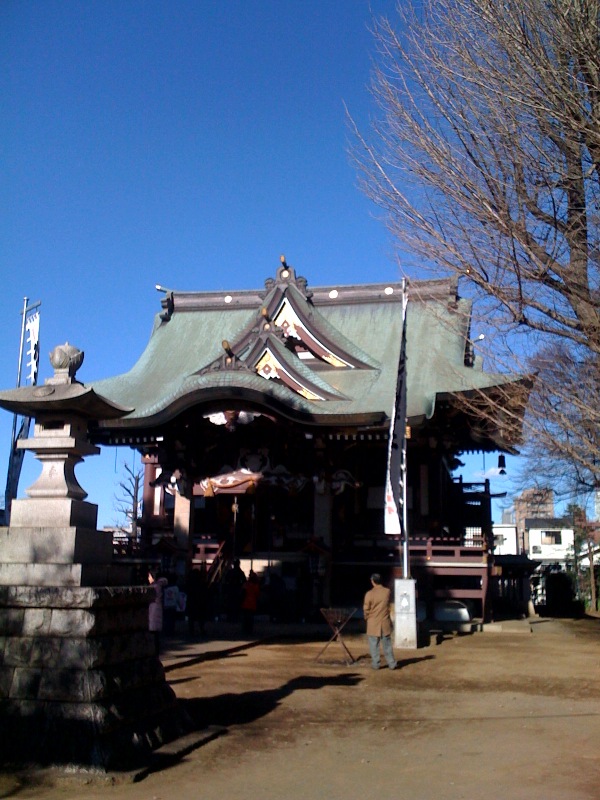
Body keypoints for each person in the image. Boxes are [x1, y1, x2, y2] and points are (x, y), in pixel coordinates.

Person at [363, 573, 397, 670]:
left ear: (373, 581)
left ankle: (376, 664)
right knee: (387, 645)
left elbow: (366, 609)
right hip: (384, 622)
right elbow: (389, 605)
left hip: (372, 622)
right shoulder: (387, 591)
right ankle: (392, 663)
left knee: (374, 645)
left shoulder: (369, 594)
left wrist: (367, 617)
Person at [148, 570, 168, 655]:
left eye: (149, 576)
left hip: (154, 613)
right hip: (156, 613)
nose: (148, 578)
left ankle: (154, 654)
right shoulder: (159, 585)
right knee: (156, 636)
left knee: (154, 637)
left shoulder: (155, 586)